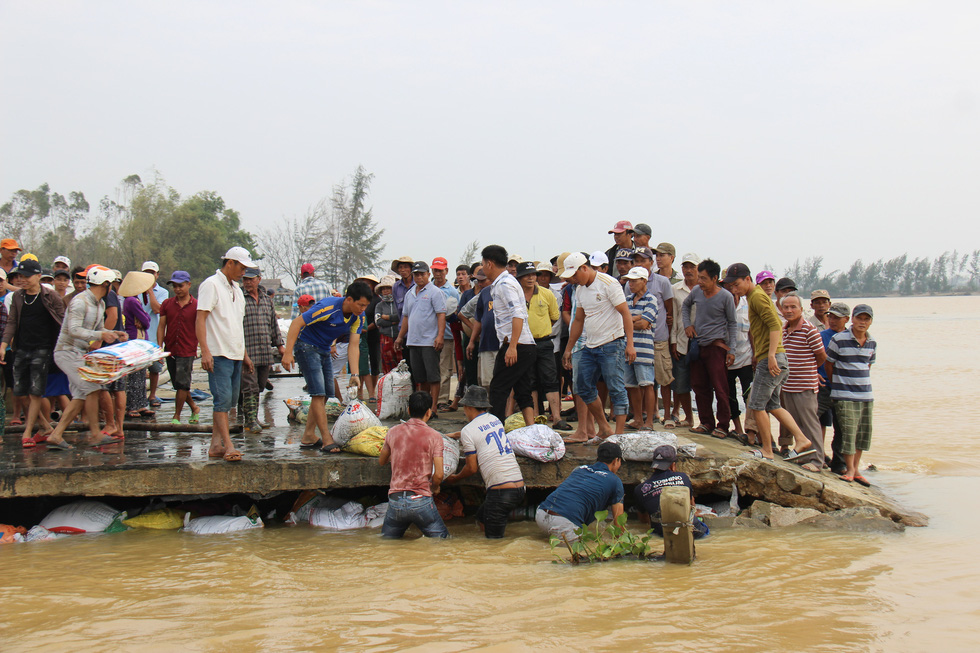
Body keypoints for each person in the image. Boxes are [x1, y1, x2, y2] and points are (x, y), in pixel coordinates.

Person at [722, 263, 813, 462]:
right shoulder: (754, 297)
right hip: (772, 357)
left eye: (736, 284)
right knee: (772, 404)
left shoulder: (756, 296)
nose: (734, 289)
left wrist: (771, 355)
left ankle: (767, 450)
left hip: (770, 358)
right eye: (731, 286)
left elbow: (774, 325)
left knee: (756, 405)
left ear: (748, 279)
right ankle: (801, 438)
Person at [44, 266, 128, 450]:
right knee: (92, 388)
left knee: (81, 395)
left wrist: (113, 333)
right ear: (105, 284)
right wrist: (100, 336)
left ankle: (56, 435)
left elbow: (98, 330)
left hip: (80, 353)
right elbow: (74, 330)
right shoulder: (80, 302)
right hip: (66, 352)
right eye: (111, 285)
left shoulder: (100, 304)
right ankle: (95, 434)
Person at [282, 281, 370, 452]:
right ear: (349, 299)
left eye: (365, 306)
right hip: (306, 346)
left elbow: (353, 345)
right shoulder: (328, 307)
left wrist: (355, 374)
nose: (362, 309)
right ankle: (326, 439)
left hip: (324, 349)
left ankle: (308, 436)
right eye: (360, 304)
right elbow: (296, 324)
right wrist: (288, 352)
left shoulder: (359, 316)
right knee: (318, 393)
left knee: (325, 395)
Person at [561, 251, 636, 439]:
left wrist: (630, 344)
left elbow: (625, 313)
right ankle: (603, 427)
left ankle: (618, 436)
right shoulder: (579, 289)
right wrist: (569, 348)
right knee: (582, 386)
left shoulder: (609, 284)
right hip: (590, 344)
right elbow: (578, 320)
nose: (573, 280)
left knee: (616, 387)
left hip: (612, 342)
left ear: (584, 268)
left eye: (574, 275)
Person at [197, 247, 256, 462]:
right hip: (218, 352)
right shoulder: (211, 285)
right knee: (222, 400)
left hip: (235, 353)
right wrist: (205, 351)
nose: (243, 272)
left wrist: (245, 354)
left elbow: (236, 325)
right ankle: (228, 445)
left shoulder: (237, 291)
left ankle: (215, 444)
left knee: (229, 401)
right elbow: (200, 319)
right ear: (229, 263)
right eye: (241, 267)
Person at [444, 386, 525, 538]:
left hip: (501, 492)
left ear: (468, 407)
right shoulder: (495, 420)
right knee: (482, 517)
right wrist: (454, 435)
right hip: (519, 488)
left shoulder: (469, 430)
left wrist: (455, 478)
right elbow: (479, 432)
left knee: (494, 544)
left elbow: (471, 468)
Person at [0, 258, 65, 447]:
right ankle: (44, 426)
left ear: (38, 276)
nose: (23, 280)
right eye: (20, 276)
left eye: (27, 276)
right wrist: (4, 345)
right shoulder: (18, 297)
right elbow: (12, 322)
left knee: (36, 392)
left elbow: (62, 322)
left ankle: (27, 433)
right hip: (21, 348)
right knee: (20, 393)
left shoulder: (50, 296)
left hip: (43, 349)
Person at [378, 390, 450, 539]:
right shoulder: (434, 436)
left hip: (395, 501)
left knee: (387, 543)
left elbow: (381, 461)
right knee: (443, 542)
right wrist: (435, 487)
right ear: (429, 413)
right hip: (420, 501)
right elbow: (439, 474)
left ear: (408, 410)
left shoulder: (393, 432)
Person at [482, 245, 537, 424]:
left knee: (498, 389)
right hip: (524, 345)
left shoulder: (505, 284)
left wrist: (512, 346)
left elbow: (518, 314)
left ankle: (495, 430)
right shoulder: (504, 283)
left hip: (517, 345)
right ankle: (531, 428)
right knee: (522, 390)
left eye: (483, 263)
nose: (482, 268)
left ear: (489, 264)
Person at [682, 259, 737, 438]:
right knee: (699, 385)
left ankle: (723, 425)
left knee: (720, 387)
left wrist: (732, 350)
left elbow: (732, 324)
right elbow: (685, 305)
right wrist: (687, 325)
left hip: (716, 347)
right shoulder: (697, 291)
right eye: (699, 278)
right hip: (698, 344)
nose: (700, 282)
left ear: (715, 279)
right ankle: (706, 422)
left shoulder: (726, 297)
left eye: (704, 279)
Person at [825, 304, 876, 485]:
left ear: (870, 322)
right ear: (852, 319)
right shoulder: (839, 339)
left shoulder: (872, 342)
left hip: (865, 395)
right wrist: (838, 384)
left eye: (866, 319)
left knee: (861, 433)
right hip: (844, 394)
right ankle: (849, 469)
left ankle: (856, 469)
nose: (862, 322)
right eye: (859, 318)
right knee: (847, 432)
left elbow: (868, 365)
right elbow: (829, 364)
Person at [535, 440, 626, 542]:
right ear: (616, 461)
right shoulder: (615, 481)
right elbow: (619, 522)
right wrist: (622, 543)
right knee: (578, 554)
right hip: (563, 522)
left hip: (541, 514)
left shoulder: (580, 469)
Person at [778, 292, 827, 470]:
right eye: (786, 307)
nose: (789, 310)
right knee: (797, 423)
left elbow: (821, 356)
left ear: (801, 309)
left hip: (805, 384)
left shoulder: (809, 329)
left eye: (793, 307)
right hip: (788, 384)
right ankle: (805, 457)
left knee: (810, 423)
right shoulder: (783, 329)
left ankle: (817, 460)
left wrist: (809, 369)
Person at [514, 261, 564, 428]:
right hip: (524, 343)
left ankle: (556, 417)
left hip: (544, 342)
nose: (531, 278)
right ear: (519, 278)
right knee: (530, 381)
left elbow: (554, 316)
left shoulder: (546, 294)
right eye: (526, 275)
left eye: (533, 274)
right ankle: (535, 417)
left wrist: (541, 327)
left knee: (551, 379)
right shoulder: (516, 295)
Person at [395, 261, 447, 416]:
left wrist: (440, 336)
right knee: (420, 377)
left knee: (433, 376)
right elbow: (406, 317)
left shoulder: (435, 292)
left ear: (428, 275)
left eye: (422, 274)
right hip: (413, 340)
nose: (419, 277)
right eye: (416, 274)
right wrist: (400, 337)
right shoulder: (410, 293)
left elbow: (441, 315)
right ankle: (424, 406)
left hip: (429, 341)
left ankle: (434, 406)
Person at [632, 246, 674, 423]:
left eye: (644, 260)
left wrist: (635, 319)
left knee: (663, 379)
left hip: (658, 337)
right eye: (637, 260)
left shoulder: (662, 281)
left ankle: (666, 416)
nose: (641, 263)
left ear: (651, 262)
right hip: (637, 342)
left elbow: (668, 308)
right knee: (639, 381)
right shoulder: (630, 284)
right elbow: (626, 312)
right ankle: (642, 416)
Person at [241, 267, 284, 433]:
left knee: (259, 386)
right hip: (247, 351)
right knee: (249, 386)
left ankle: (255, 417)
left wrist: (280, 346)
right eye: (245, 279)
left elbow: (274, 325)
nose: (248, 282)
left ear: (259, 279)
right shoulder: (239, 299)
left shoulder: (267, 300)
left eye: (251, 279)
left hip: (264, 350)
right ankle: (250, 420)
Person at [634, 444, 709, 539]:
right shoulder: (683, 477)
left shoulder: (640, 489)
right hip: (693, 531)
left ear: (654, 466)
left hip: (663, 534)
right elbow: (691, 506)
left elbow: (644, 519)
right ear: (673, 465)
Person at [158, 270, 200, 425]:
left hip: (187, 349)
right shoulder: (167, 304)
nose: (177, 289)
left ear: (189, 285)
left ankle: (176, 416)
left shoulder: (196, 305)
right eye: (174, 286)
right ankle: (194, 407)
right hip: (170, 348)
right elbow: (162, 326)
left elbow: (201, 326)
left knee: (182, 384)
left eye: (180, 286)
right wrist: (159, 346)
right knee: (178, 384)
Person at [622, 266, 658, 430]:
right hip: (628, 347)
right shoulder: (628, 300)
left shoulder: (652, 299)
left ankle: (649, 421)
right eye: (630, 280)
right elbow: (628, 321)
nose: (631, 284)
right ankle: (638, 419)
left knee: (646, 384)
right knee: (631, 386)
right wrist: (636, 318)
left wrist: (630, 320)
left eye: (634, 280)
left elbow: (645, 323)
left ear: (644, 281)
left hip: (644, 348)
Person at [667, 252, 700, 428]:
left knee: (701, 383)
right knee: (680, 383)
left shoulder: (704, 289)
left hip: (700, 342)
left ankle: (706, 420)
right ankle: (688, 417)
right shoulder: (676, 289)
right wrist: (672, 341)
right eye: (685, 267)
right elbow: (674, 315)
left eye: (691, 267)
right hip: (680, 341)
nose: (688, 270)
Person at [120, 272, 155, 420]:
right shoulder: (132, 302)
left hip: (139, 339)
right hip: (135, 340)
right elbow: (146, 322)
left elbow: (145, 319)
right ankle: (132, 406)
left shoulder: (133, 301)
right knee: (135, 376)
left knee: (140, 375)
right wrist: (144, 319)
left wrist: (144, 318)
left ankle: (140, 404)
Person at [139, 261, 169, 409]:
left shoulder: (162, 292)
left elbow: (158, 309)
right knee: (138, 369)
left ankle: (152, 395)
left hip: (154, 335)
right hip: (138, 336)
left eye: (152, 273)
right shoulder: (135, 290)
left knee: (155, 369)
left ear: (157, 275)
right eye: (146, 273)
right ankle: (138, 396)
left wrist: (150, 291)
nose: (149, 276)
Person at [430, 257, 459, 409]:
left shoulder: (452, 291)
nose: (438, 273)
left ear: (446, 271)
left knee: (444, 368)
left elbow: (456, 313)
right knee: (431, 367)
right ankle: (431, 399)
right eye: (435, 270)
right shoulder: (427, 288)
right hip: (428, 335)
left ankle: (441, 399)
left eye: (440, 270)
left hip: (447, 335)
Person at [354, 274, 382, 402]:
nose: (367, 286)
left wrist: (365, 329)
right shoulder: (360, 299)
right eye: (364, 283)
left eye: (369, 283)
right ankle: (360, 392)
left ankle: (372, 391)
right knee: (360, 364)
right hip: (360, 336)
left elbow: (378, 319)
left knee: (374, 363)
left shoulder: (377, 300)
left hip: (373, 333)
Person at [374, 275, 401, 374]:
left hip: (399, 336)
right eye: (383, 289)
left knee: (401, 362)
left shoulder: (399, 303)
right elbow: (378, 321)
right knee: (387, 363)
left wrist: (387, 317)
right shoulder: (379, 305)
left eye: (388, 288)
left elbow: (401, 317)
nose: (385, 291)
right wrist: (393, 321)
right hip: (385, 338)